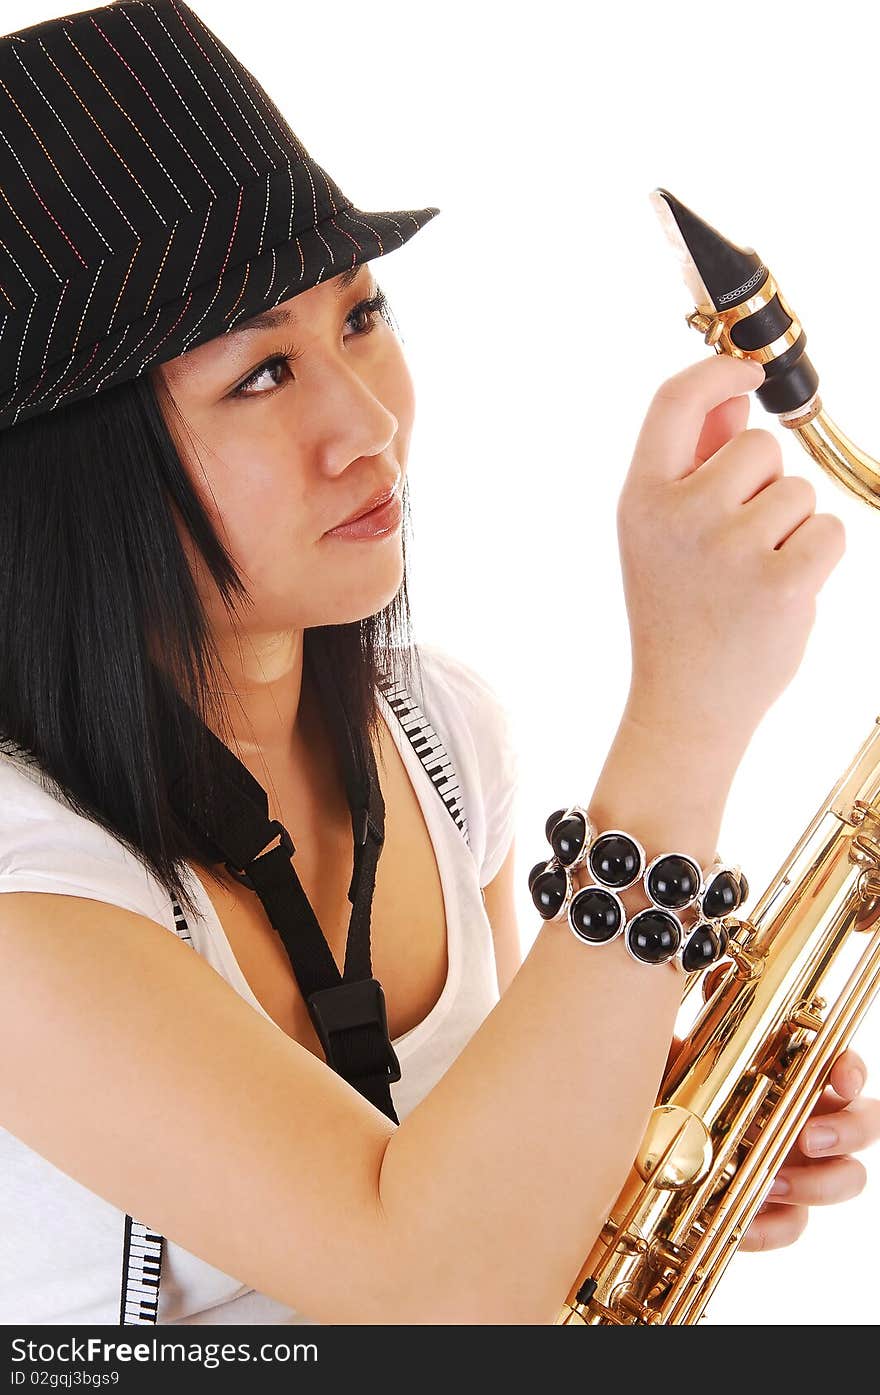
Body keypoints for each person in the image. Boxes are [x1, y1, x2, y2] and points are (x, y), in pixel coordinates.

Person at [0, 0, 877, 1326]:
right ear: (80, 475)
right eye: (259, 376)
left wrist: (642, 1151)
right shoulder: (24, 901)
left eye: (362, 319)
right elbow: (437, 1291)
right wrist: (685, 721)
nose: (366, 425)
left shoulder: (437, 734)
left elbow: (475, 1196)